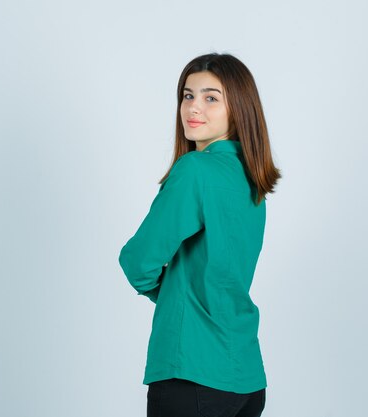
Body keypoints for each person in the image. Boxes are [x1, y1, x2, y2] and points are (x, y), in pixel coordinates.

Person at [118, 52, 281, 417]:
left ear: (238, 108)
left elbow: (137, 261)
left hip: (192, 374)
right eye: (187, 95)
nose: (194, 108)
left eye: (211, 98)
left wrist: (172, 294)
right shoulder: (250, 178)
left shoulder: (195, 170)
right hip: (247, 378)